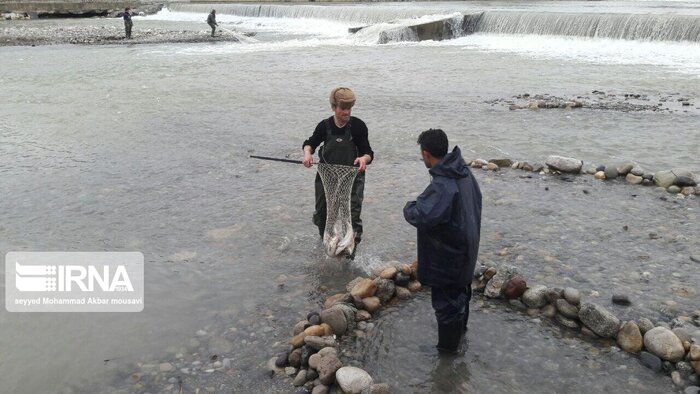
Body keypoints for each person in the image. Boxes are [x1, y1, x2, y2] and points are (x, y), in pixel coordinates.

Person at [403, 129, 482, 353]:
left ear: (426, 154)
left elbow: (421, 215)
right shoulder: (463, 172)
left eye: (422, 154)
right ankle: (459, 335)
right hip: (467, 248)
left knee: (447, 304)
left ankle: (447, 355)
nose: (422, 158)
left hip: (449, 256)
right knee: (461, 293)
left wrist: (409, 206)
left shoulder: (443, 184)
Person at [302, 87, 373, 254]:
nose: (347, 112)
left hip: (352, 176)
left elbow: (368, 153)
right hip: (327, 176)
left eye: (349, 108)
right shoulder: (324, 126)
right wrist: (307, 154)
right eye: (343, 108)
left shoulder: (358, 126)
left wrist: (363, 159)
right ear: (334, 107)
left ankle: (351, 253)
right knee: (322, 213)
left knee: (352, 215)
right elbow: (310, 143)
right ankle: (326, 243)